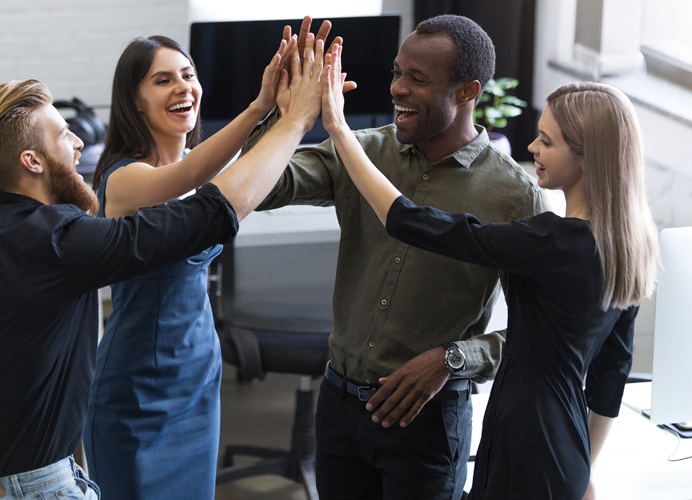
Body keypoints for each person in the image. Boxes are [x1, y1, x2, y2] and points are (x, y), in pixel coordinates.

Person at [0, 34, 325, 500]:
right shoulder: (64, 243)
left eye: (187, 75)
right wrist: (293, 119)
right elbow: (207, 214)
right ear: (32, 161)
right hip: (51, 478)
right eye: (64, 135)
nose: (79, 140)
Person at [319, 43, 658, 500]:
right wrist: (584, 467)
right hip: (566, 447)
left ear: (587, 157)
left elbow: (411, 222)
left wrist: (340, 131)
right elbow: (611, 375)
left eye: (548, 141)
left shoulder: (551, 241)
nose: (533, 147)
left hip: (523, 440)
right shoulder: (629, 247)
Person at [243, 15, 547, 499]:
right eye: (396, 73)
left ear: (468, 91)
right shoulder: (365, 150)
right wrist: (279, 111)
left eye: (417, 80)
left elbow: (543, 334)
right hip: (339, 405)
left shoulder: (514, 197)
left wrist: (454, 358)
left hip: (427, 420)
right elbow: (265, 186)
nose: (397, 89)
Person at [80, 33, 319, 499]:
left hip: (197, 368)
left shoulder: (195, 162)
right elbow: (191, 182)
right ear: (134, 101)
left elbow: (219, 170)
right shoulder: (124, 179)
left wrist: (274, 104)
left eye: (188, 75)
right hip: (138, 384)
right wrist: (265, 112)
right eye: (163, 80)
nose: (183, 87)